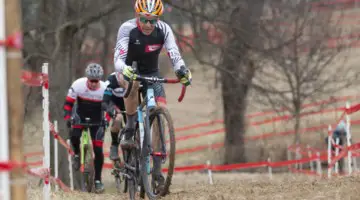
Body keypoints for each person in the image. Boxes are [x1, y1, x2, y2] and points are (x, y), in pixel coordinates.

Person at [113, 0, 192, 192]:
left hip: (152, 73)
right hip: (129, 70)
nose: (149, 25)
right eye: (144, 20)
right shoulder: (127, 28)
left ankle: (157, 173)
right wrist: (124, 69)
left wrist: (182, 70)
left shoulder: (164, 29)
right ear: (137, 16)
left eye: (153, 21)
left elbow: (174, 53)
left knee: (161, 112)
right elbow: (118, 58)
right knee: (131, 84)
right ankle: (131, 126)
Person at [63, 63, 107, 193]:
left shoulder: (105, 88)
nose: (93, 84)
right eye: (91, 80)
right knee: (75, 135)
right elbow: (68, 104)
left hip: (97, 118)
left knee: (98, 149)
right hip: (80, 115)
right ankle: (76, 153)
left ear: (99, 80)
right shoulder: (78, 85)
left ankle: (98, 180)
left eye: (96, 81)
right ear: (87, 78)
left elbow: (110, 108)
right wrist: (67, 118)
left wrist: (108, 119)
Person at [102, 72, 127, 161]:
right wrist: (109, 109)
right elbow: (104, 102)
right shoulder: (111, 81)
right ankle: (114, 145)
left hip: (127, 102)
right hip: (114, 103)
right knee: (118, 118)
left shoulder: (133, 79)